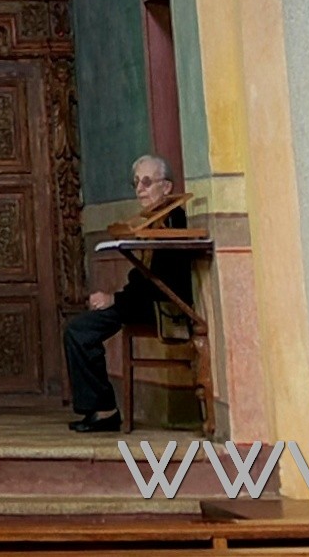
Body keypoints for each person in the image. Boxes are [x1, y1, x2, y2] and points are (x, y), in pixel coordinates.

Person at [63, 154, 197, 432]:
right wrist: (117, 297)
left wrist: (115, 300)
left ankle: (105, 411)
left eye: (147, 182)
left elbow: (162, 281)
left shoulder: (173, 224)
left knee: (80, 331)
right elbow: (142, 278)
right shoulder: (153, 221)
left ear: (167, 187)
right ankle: (101, 409)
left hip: (161, 305)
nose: (140, 190)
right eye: (136, 183)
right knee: (79, 330)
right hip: (140, 299)